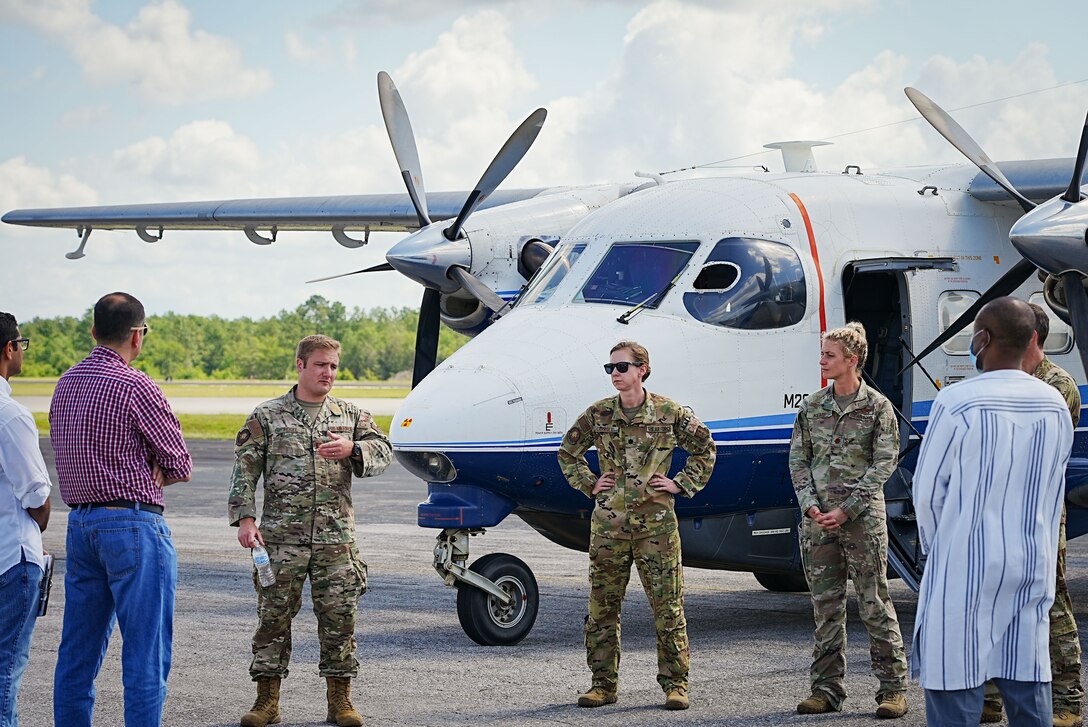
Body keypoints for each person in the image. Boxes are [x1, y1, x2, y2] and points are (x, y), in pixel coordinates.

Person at [913, 296, 1073, 727]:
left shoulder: (958, 402)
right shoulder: (1054, 403)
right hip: (1031, 563)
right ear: (1032, 339)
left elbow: (927, 493)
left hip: (966, 567)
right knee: (1027, 679)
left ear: (981, 339)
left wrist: (940, 549)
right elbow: (1054, 485)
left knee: (955, 679)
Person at [228, 334, 392, 727]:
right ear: (300, 365)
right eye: (321, 365)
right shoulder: (269, 415)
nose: (328, 373)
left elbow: (384, 451)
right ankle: (266, 703)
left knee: (340, 619)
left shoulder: (350, 415)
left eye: (334, 366)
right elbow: (245, 470)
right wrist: (245, 518)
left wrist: (354, 449)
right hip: (281, 540)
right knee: (273, 619)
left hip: (336, 541)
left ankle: (341, 703)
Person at [50, 292, 193, 727]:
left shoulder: (66, 382)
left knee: (77, 653)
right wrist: (150, 465)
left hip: (80, 522)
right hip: (132, 522)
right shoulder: (136, 384)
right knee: (145, 655)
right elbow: (179, 463)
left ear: (94, 332)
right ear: (137, 335)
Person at [557, 340, 716, 711]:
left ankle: (676, 685)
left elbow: (705, 447)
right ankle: (602, 685)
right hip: (609, 530)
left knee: (668, 608)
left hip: (656, 529)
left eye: (622, 367)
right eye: (610, 368)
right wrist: (588, 483)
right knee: (602, 611)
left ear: (642, 369)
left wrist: (680, 483)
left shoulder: (669, 412)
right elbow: (567, 451)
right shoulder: (598, 414)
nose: (615, 374)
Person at [788, 321, 909, 719]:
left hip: (861, 522)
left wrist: (848, 509)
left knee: (874, 603)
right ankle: (825, 690)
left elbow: (884, 463)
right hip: (818, 521)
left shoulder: (876, 407)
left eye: (829, 355)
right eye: (823, 354)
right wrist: (810, 506)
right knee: (826, 607)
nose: (822, 360)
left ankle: (892, 690)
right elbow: (798, 460)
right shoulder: (812, 406)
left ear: (851, 361)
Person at [981, 303, 1083, 727]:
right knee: (990, 599)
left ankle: (1068, 699)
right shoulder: (998, 379)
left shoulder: (1059, 386)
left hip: (1038, 513)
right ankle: (989, 696)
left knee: (1052, 600)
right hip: (995, 510)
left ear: (1030, 338)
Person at [0, 313, 51, 727]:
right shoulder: (10, 415)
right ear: (8, 350)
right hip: (10, 559)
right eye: (21, 343)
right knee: (4, 673)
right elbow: (37, 496)